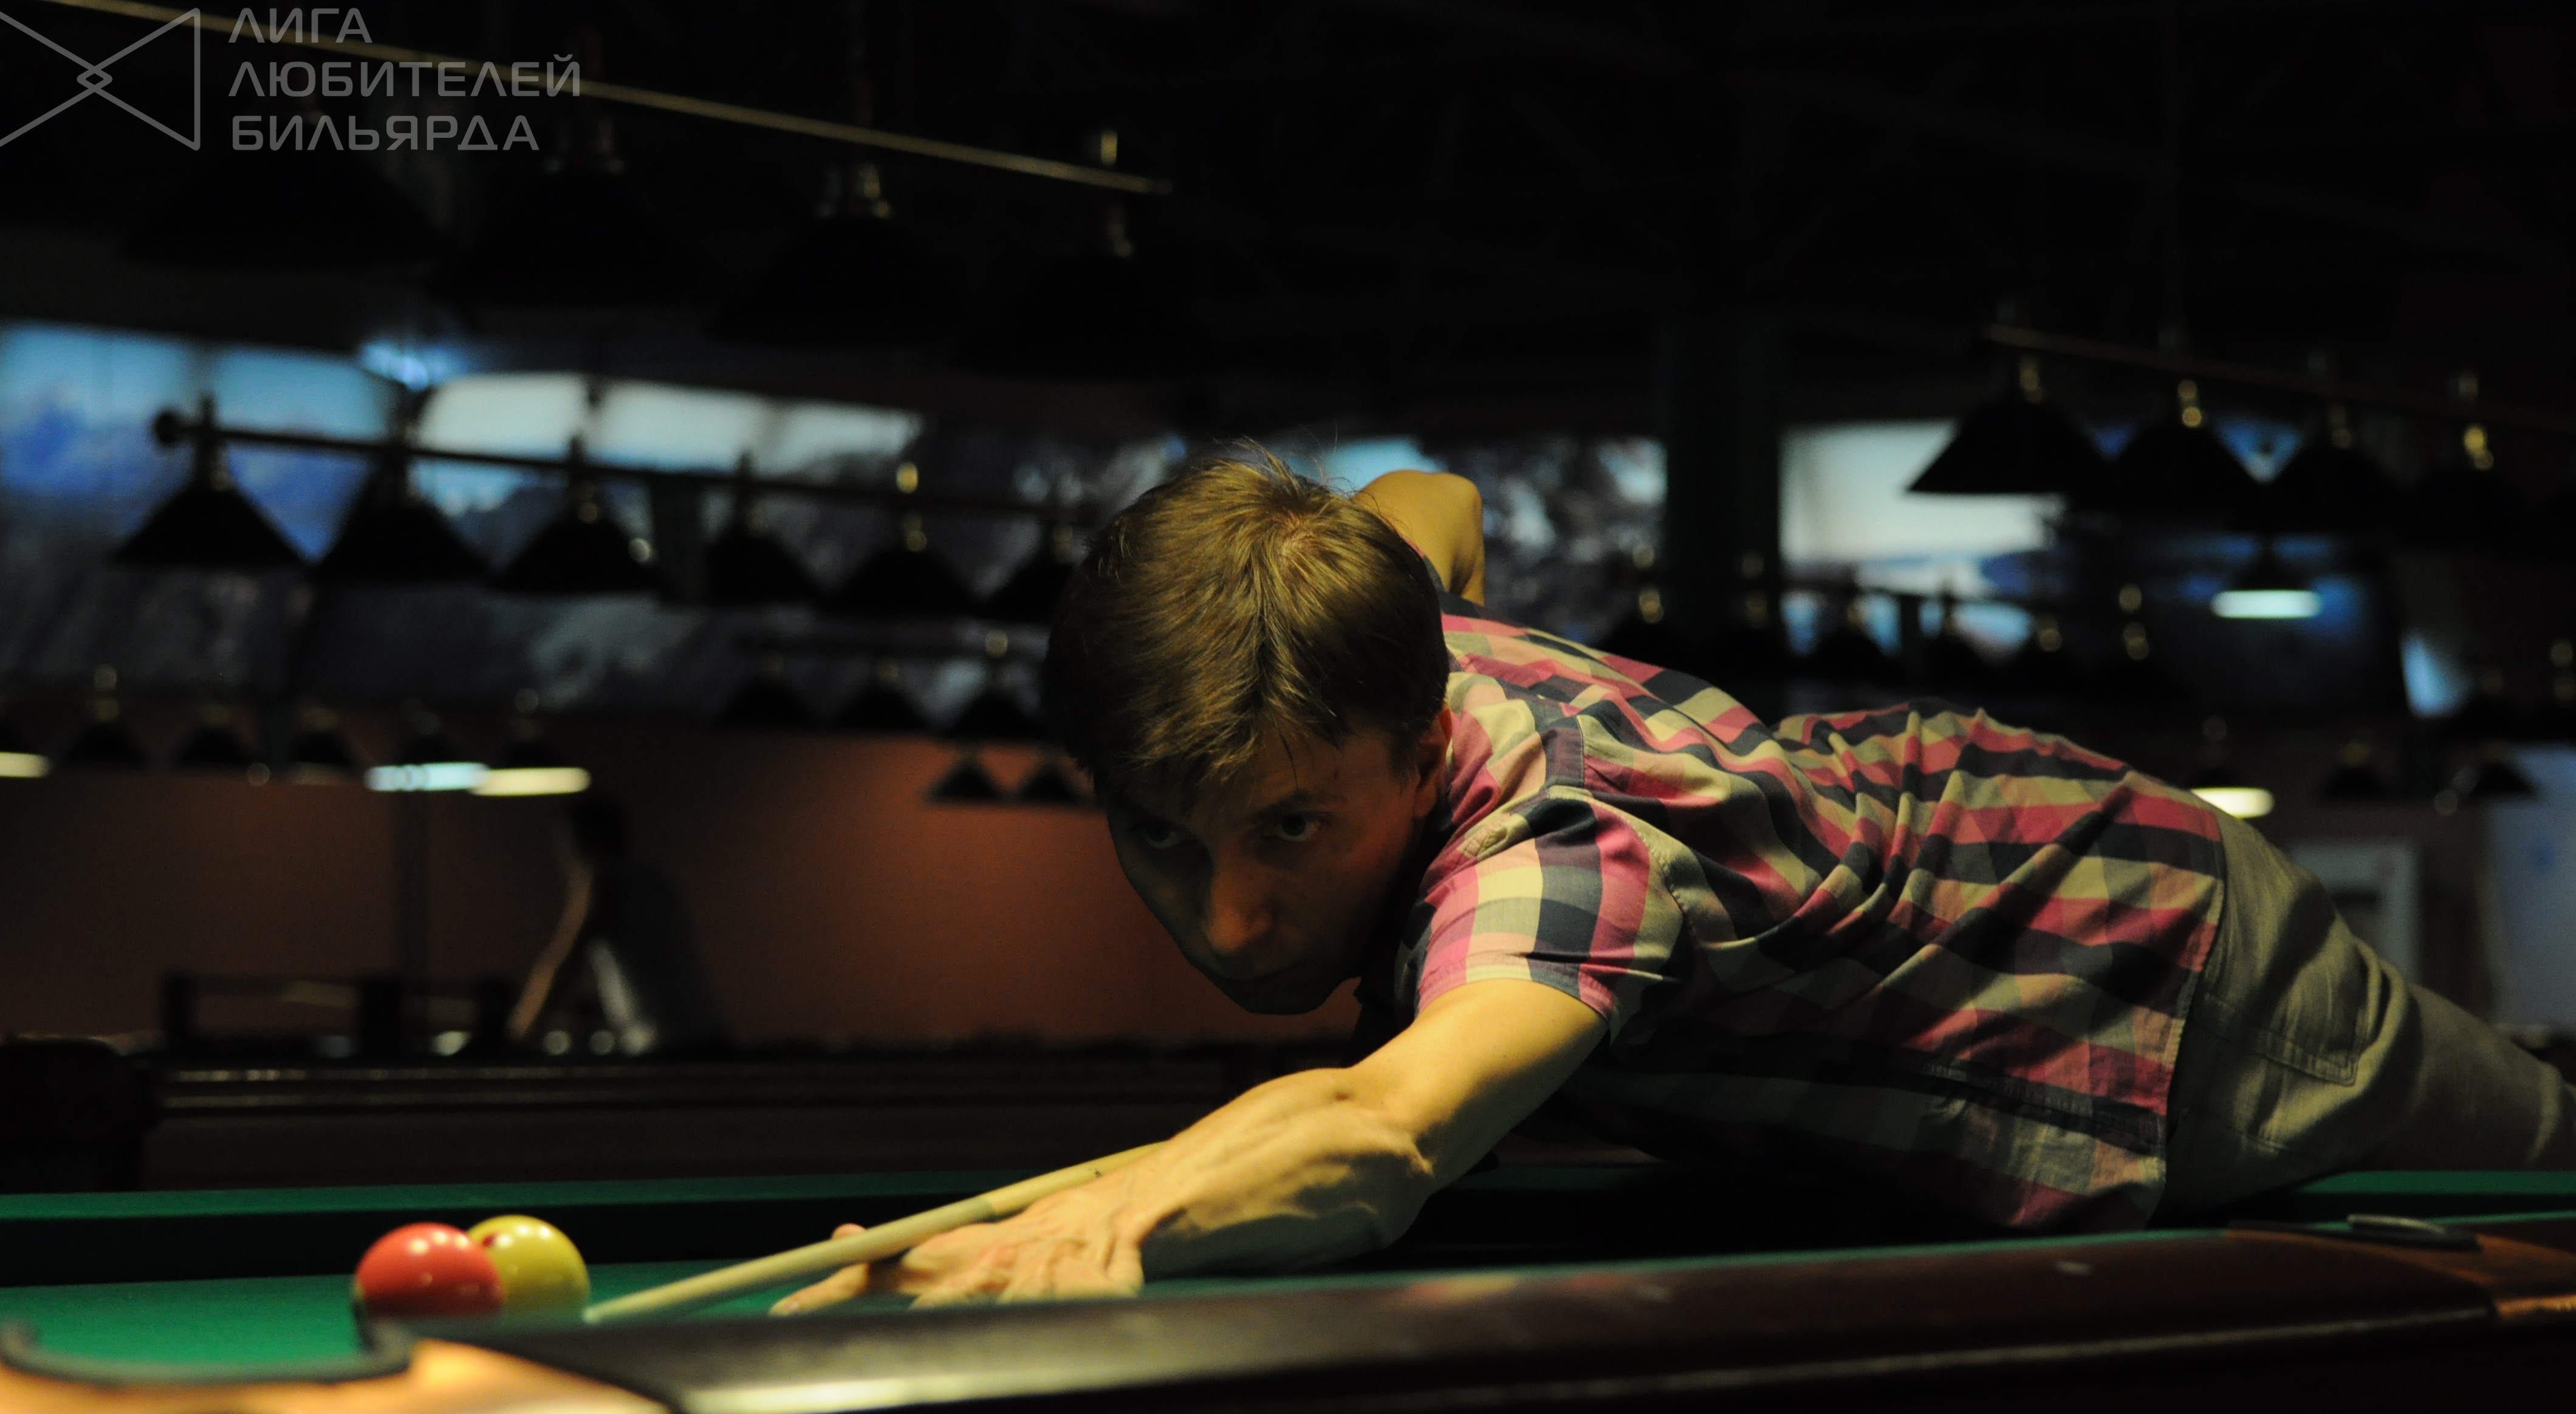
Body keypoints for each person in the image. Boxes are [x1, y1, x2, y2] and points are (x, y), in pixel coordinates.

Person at [776, 454, 2575, 1311]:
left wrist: (1125, 1225)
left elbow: (1386, 1130)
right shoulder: (1360, 627)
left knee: (2545, 1159)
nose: (1227, 917)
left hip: (2151, 953)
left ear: (1420, 739)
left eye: (1293, 832)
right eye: (1167, 836)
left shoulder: (1558, 851)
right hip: (1974, 868)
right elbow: (1427, 495)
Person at [510, 793, 731, 1056]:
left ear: (584, 838)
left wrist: (517, 1038)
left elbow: (562, 963)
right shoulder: (656, 877)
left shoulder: (603, 881)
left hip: (664, 1046)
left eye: (566, 842)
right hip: (707, 1037)